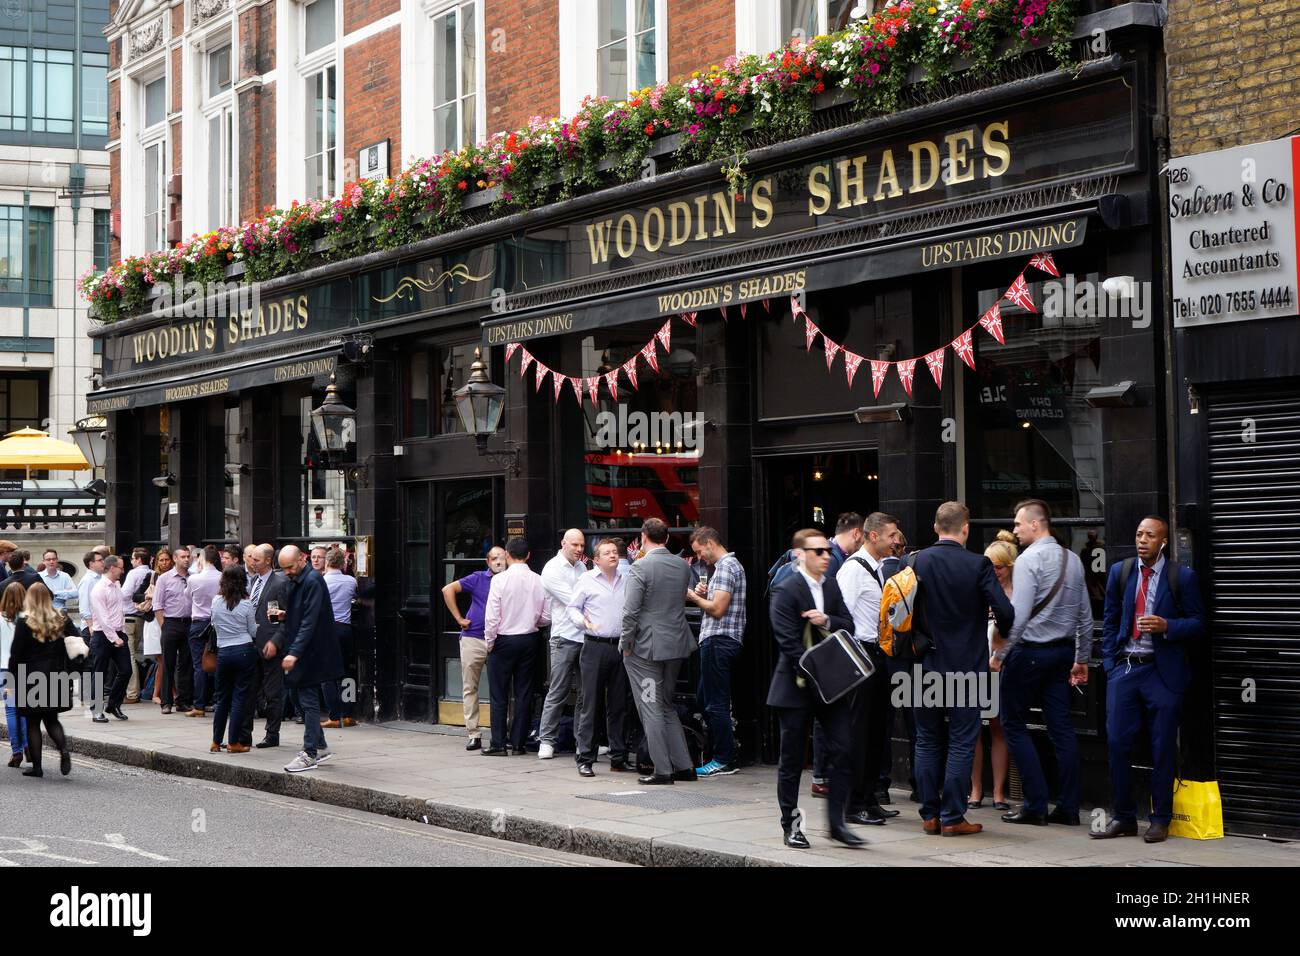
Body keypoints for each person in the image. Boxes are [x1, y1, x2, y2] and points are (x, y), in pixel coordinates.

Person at [1094, 516, 1206, 844]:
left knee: (1162, 748)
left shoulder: (1181, 578)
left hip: (1162, 671)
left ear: (1163, 542)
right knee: (1116, 742)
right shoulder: (1121, 572)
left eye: (1150, 535)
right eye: (1139, 533)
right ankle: (1124, 817)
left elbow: (1199, 622)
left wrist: (1167, 626)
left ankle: (1160, 819)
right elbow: (1111, 618)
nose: (1143, 540)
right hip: (1126, 669)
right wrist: (1110, 662)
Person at [910, 502, 1014, 837]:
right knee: (961, 741)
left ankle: (929, 814)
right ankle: (953, 817)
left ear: (935, 526)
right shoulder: (978, 565)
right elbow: (1006, 612)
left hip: (923, 665)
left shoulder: (914, 561)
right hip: (967, 668)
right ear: (965, 528)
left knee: (926, 739)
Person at [994, 499, 1093, 827]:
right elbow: (1085, 616)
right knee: (1061, 728)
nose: (1015, 530)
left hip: (1030, 653)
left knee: (1012, 723)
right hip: (1063, 653)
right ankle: (1067, 807)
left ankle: (1035, 805)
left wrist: (999, 655)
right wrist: (1082, 658)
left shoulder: (1027, 560)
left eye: (1018, 524)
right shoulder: (1074, 560)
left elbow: (1019, 617)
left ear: (1036, 524)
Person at [767, 528, 864, 849]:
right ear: (800, 554)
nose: (826, 556)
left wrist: (826, 621)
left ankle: (837, 825)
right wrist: (816, 673)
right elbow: (787, 643)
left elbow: (849, 624)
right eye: (818, 551)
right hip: (795, 686)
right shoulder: (786, 589)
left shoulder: (832, 584)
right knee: (793, 760)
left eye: (826, 551)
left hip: (830, 687)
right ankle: (791, 827)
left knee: (843, 749)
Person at [836, 511, 904, 826]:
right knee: (858, 734)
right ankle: (852, 804)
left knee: (877, 732)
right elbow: (841, 619)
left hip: (878, 656)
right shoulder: (853, 570)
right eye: (892, 535)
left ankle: (868, 798)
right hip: (859, 655)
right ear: (873, 536)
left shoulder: (877, 569)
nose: (897, 540)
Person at [620, 518, 698, 786]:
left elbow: (630, 611)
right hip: (676, 644)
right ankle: (685, 766)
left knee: (650, 705)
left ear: (643, 537)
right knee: (665, 705)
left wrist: (626, 644)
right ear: (666, 538)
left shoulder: (640, 567)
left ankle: (663, 770)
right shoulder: (681, 566)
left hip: (647, 649)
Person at [685, 527, 746, 777]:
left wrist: (693, 597)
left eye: (700, 551)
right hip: (722, 641)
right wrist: (706, 593)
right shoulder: (731, 567)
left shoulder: (725, 567)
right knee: (706, 700)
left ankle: (723, 759)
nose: (700, 557)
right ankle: (720, 754)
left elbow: (718, 609)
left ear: (710, 543)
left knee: (715, 704)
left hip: (718, 640)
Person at [482, 536, 550, 756]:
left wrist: (490, 641)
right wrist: (532, 622)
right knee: (524, 692)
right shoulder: (539, 580)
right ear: (528, 555)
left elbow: (492, 616)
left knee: (499, 694)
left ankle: (498, 744)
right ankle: (519, 743)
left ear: (508, 555)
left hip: (503, 639)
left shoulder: (499, 581)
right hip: (529, 639)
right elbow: (547, 616)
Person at [7, 582, 84, 777]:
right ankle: (63, 749)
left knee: (33, 722)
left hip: (31, 677)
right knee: (52, 719)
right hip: (57, 674)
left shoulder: (25, 623)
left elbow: (16, 654)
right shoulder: (62, 619)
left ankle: (37, 767)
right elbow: (77, 641)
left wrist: (11, 677)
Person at [568, 537, 630, 777]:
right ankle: (585, 757)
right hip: (594, 646)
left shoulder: (628, 580)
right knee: (591, 704)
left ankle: (618, 757)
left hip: (621, 647)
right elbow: (572, 607)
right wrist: (582, 621)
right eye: (607, 553)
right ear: (596, 559)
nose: (613, 555)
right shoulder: (586, 580)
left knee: (619, 705)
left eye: (615, 552)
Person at [278, 545, 342, 772]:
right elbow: (303, 614)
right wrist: (285, 615)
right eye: (283, 568)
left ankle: (309, 753)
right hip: (307, 650)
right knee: (298, 697)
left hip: (313, 652)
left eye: (290, 566)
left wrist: (294, 652)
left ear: (302, 559)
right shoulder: (300, 579)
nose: (287, 572)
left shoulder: (312, 580)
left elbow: (310, 620)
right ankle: (321, 745)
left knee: (308, 701)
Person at [441, 546, 507, 751]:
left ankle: (502, 733)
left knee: (503, 688)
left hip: (500, 640)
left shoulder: (510, 580)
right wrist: (459, 618)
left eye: (502, 558)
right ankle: (473, 733)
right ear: (487, 562)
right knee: (470, 686)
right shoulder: (478, 578)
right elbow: (447, 589)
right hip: (474, 639)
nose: (498, 562)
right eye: (494, 558)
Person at [970, 531, 1016, 811]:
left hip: (1004, 666)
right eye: (990, 567)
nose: (994, 572)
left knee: (999, 727)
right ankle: (975, 790)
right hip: (976, 664)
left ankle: (998, 792)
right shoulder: (979, 590)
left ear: (1010, 568)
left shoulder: (1018, 593)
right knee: (973, 728)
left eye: (998, 567)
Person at [537, 529, 587, 760]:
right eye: (575, 545)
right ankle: (546, 740)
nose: (579, 549)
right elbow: (575, 600)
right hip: (564, 636)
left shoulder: (582, 567)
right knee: (558, 690)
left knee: (585, 693)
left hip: (585, 637)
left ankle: (582, 741)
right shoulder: (552, 569)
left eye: (582, 545)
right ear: (563, 543)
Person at [242, 543, 292, 749]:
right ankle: (245, 735)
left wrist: (275, 641)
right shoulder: (254, 581)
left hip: (270, 647)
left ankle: (272, 734)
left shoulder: (279, 582)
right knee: (248, 692)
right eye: (251, 558)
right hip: (251, 644)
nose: (252, 562)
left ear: (268, 561)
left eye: (256, 559)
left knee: (273, 693)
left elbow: (282, 618)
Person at [209, 564, 259, 754]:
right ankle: (233, 743)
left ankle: (215, 742)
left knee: (222, 699)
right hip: (244, 651)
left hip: (224, 652)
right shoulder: (246, 604)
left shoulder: (215, 602)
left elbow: (213, 624)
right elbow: (252, 631)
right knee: (239, 698)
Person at [88, 555, 131, 722]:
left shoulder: (116, 585)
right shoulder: (99, 589)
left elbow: (118, 610)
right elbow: (103, 618)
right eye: (121, 567)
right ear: (112, 568)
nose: (123, 570)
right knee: (99, 673)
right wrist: (115, 638)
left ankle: (113, 705)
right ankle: (96, 710)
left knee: (126, 671)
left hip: (118, 633)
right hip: (103, 636)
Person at [321, 547, 358, 729]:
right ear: (343, 563)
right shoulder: (351, 581)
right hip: (345, 629)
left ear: (327, 563)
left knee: (327, 675)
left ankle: (334, 716)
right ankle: (349, 714)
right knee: (347, 673)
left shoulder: (321, 581)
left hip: (327, 630)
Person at [154, 544, 192, 714]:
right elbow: (157, 605)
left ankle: (183, 701)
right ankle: (166, 702)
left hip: (189, 623)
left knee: (186, 664)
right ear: (175, 559)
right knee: (168, 663)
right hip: (171, 623)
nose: (186, 559)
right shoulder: (164, 579)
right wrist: (164, 625)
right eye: (182, 556)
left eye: (187, 556)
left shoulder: (194, 578)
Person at [184, 545, 222, 716]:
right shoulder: (222, 577)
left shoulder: (194, 579)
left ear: (202, 558)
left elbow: (187, 596)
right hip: (217, 623)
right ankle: (217, 700)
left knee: (199, 665)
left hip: (199, 622)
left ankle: (199, 704)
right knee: (218, 662)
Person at [121, 548, 153, 705]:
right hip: (141, 617)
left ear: (139, 559)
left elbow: (125, 593)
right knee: (132, 654)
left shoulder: (133, 574)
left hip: (129, 617)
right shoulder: (151, 572)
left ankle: (132, 693)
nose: (131, 561)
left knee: (130, 655)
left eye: (133, 559)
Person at [1, 580, 28, 766]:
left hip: (5, 670)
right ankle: (28, 745)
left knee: (11, 710)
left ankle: (16, 750)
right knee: (25, 711)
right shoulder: (29, 618)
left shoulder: (0, 619)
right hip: (26, 669)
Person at [140, 549, 172, 704]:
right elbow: (136, 595)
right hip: (153, 620)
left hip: (170, 619)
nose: (164, 563)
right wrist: (149, 595)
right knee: (162, 659)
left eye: (166, 560)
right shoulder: (152, 576)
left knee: (167, 658)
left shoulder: (175, 577)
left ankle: (163, 692)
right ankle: (158, 693)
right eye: (161, 560)